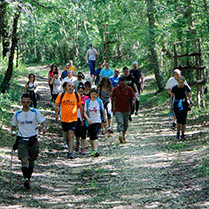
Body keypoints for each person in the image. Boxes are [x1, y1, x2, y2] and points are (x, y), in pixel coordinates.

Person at [11, 93, 46, 189]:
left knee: (31, 160)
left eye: (27, 101)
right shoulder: (17, 114)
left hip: (33, 139)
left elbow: (42, 120)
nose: (25, 103)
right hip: (22, 139)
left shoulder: (35, 112)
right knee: (24, 159)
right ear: (21, 102)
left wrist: (44, 128)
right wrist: (13, 132)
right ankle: (26, 179)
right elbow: (13, 125)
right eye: (23, 101)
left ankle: (28, 177)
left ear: (30, 102)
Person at [55, 82, 82, 159]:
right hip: (64, 118)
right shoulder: (61, 95)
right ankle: (69, 147)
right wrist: (56, 113)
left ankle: (70, 152)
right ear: (66, 87)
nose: (71, 88)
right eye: (69, 86)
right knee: (66, 137)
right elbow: (56, 104)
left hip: (73, 118)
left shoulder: (77, 95)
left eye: (72, 86)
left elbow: (80, 105)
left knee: (71, 134)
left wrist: (82, 117)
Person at [111, 77, 135, 143]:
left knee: (125, 124)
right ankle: (120, 134)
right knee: (120, 122)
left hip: (127, 108)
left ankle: (123, 136)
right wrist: (112, 107)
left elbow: (133, 96)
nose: (122, 83)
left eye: (123, 81)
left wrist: (133, 101)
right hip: (117, 109)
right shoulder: (115, 89)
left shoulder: (129, 89)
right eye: (120, 81)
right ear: (118, 82)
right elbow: (112, 98)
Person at [170, 76, 193, 140]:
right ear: (178, 82)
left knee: (184, 120)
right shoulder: (174, 88)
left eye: (182, 82)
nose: (181, 84)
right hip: (177, 104)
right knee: (178, 120)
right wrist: (171, 106)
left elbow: (189, 95)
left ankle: (183, 134)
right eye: (180, 82)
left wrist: (190, 102)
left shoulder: (186, 87)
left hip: (184, 104)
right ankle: (178, 133)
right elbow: (171, 97)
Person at [84, 88, 104, 157]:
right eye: (92, 94)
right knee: (91, 137)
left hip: (97, 120)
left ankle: (95, 150)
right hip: (90, 121)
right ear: (90, 95)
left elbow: (102, 110)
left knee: (95, 135)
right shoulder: (87, 102)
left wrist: (104, 120)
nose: (93, 95)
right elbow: (84, 112)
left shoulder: (99, 101)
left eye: (95, 94)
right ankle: (93, 150)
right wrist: (88, 119)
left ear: (97, 95)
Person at [74, 85, 89, 155]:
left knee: (83, 133)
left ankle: (82, 148)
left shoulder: (86, 98)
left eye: (82, 91)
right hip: (76, 117)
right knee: (77, 133)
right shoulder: (74, 97)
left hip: (84, 117)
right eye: (79, 91)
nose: (80, 93)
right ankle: (77, 144)